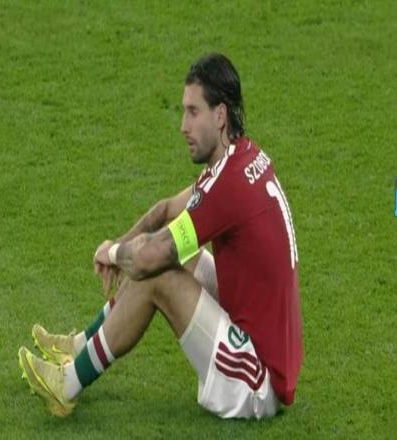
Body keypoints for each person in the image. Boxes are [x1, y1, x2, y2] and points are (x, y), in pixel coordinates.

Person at [18, 53, 303, 419]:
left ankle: (66, 385)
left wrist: (114, 252)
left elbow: (149, 258)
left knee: (156, 271)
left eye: (193, 112)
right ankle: (78, 347)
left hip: (257, 382)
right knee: (168, 254)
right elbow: (166, 209)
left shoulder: (229, 186)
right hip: (261, 340)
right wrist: (119, 246)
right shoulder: (242, 158)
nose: (183, 126)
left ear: (220, 115)